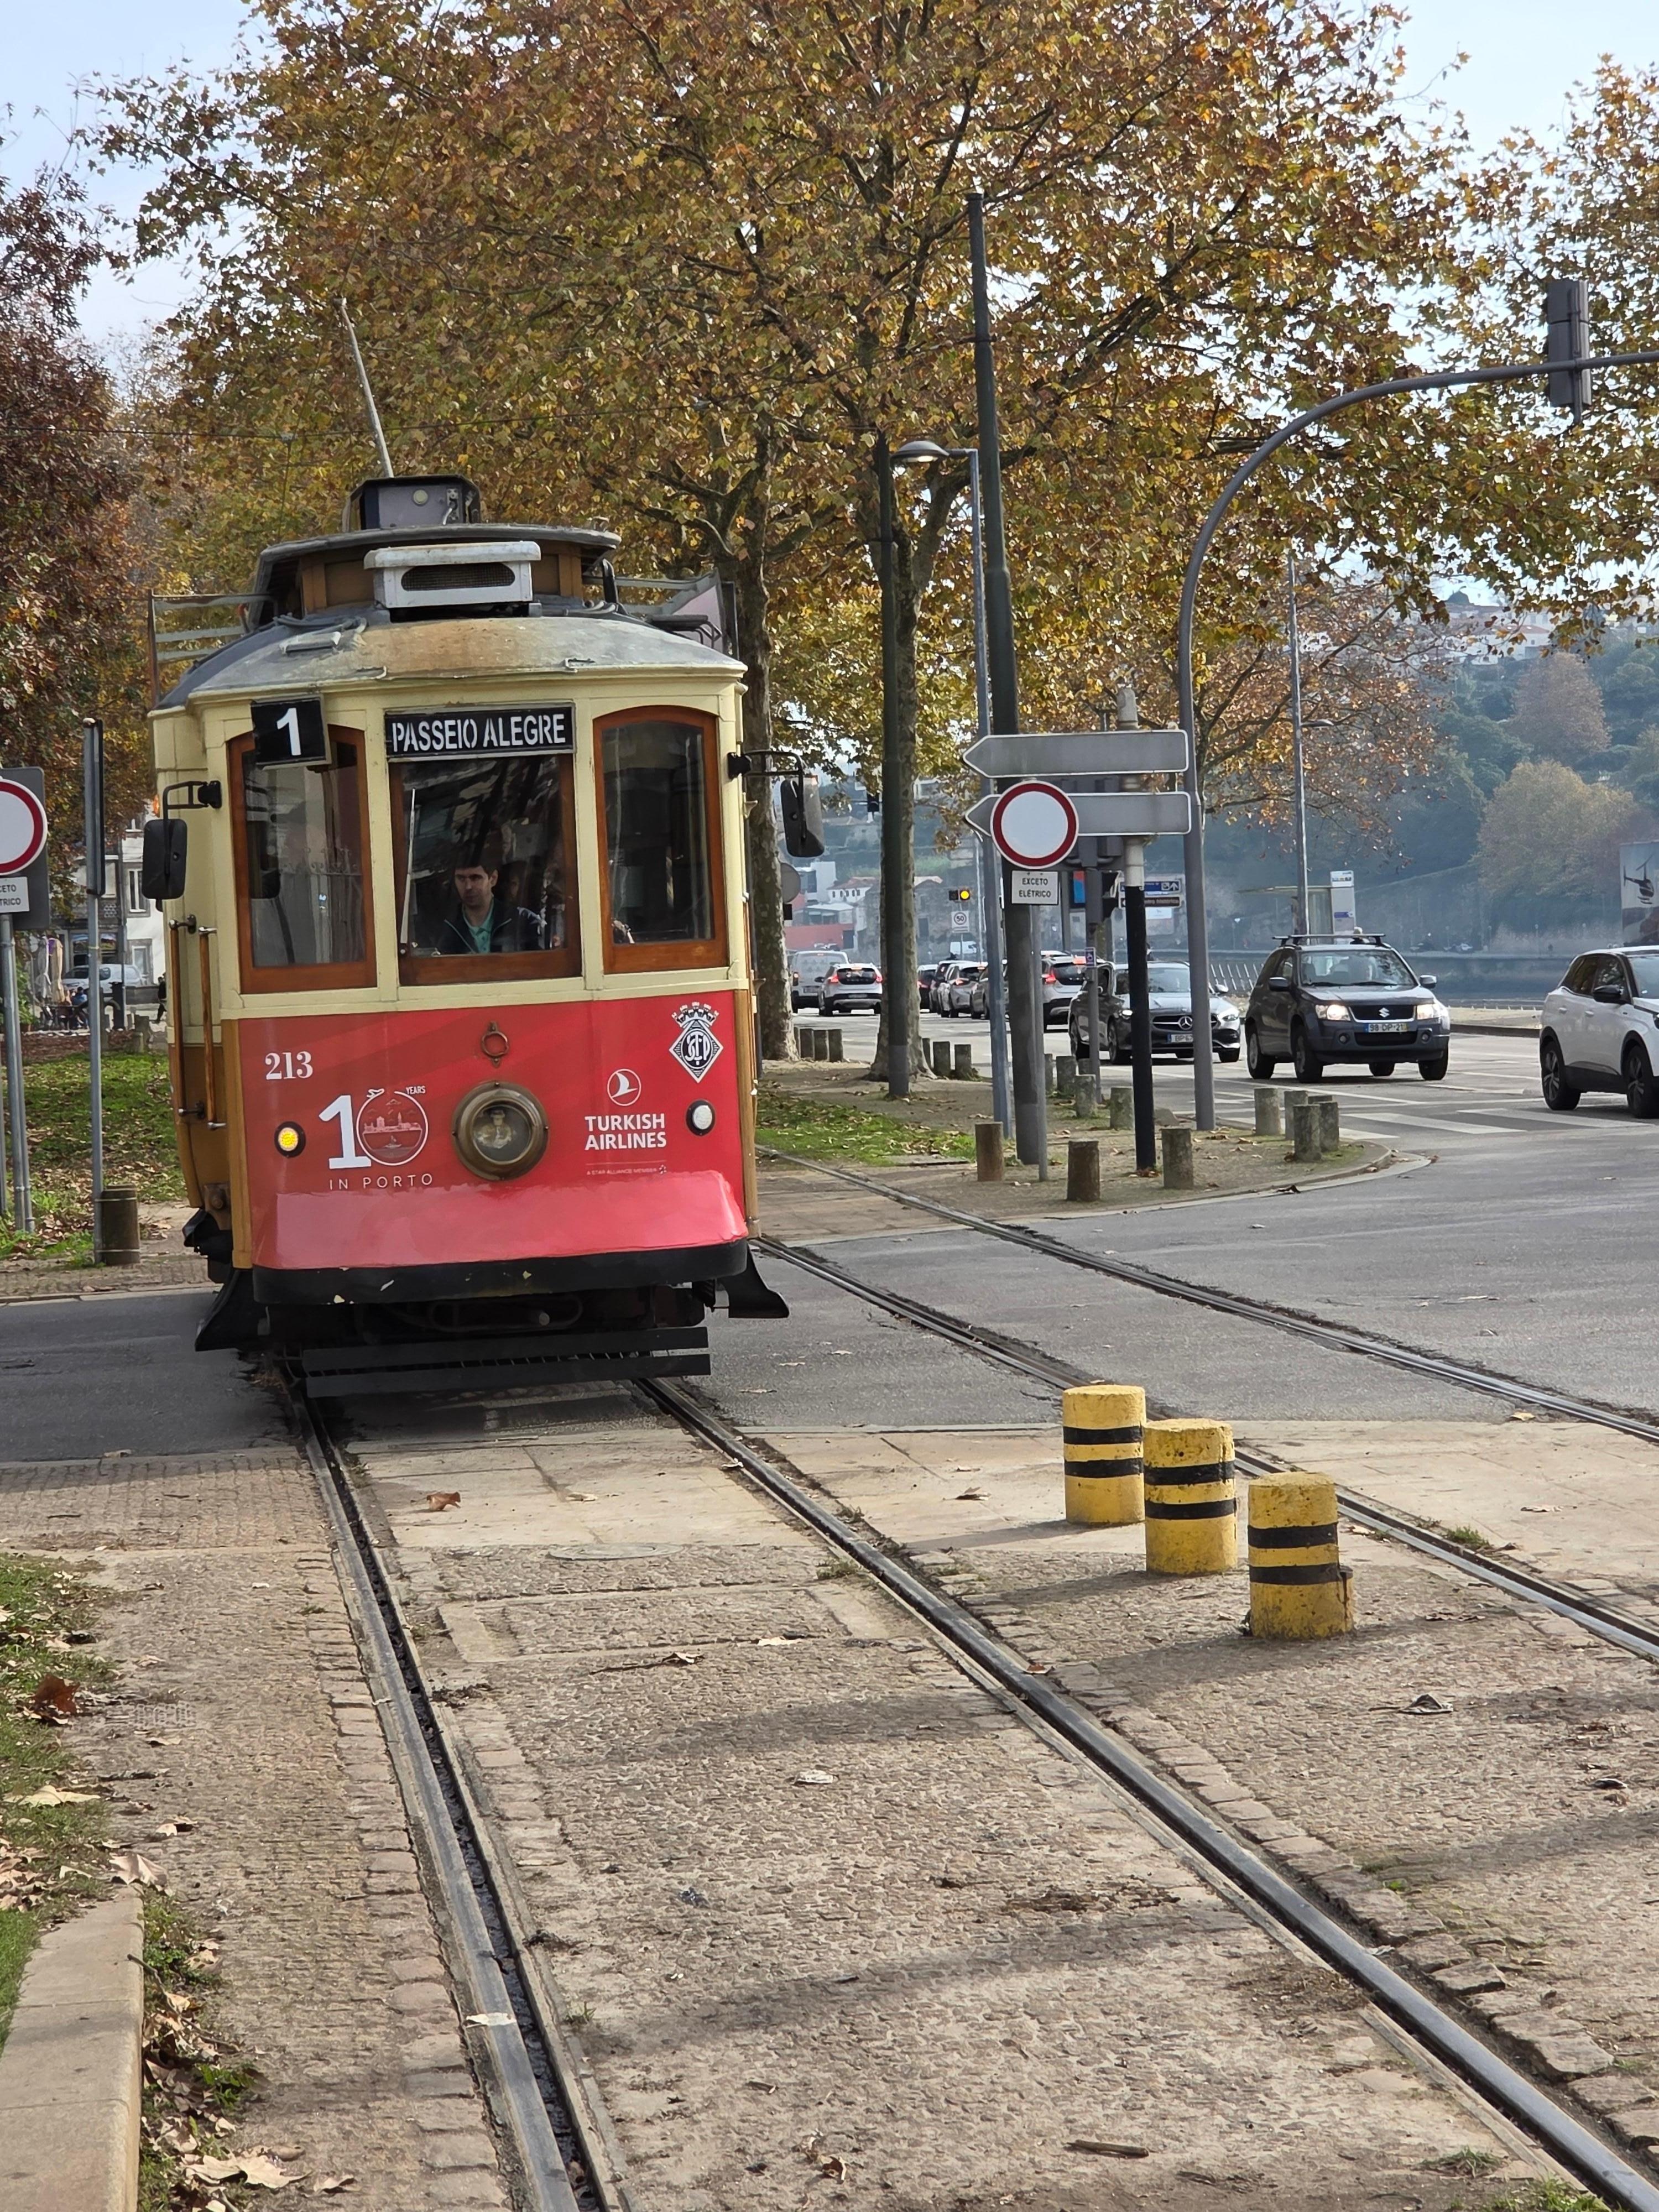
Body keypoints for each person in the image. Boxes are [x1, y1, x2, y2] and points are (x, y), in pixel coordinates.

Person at [436, 854, 544, 954]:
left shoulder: (525, 921)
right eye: (461, 878)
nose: (468, 886)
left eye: (476, 878)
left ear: (493, 879)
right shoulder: (444, 926)